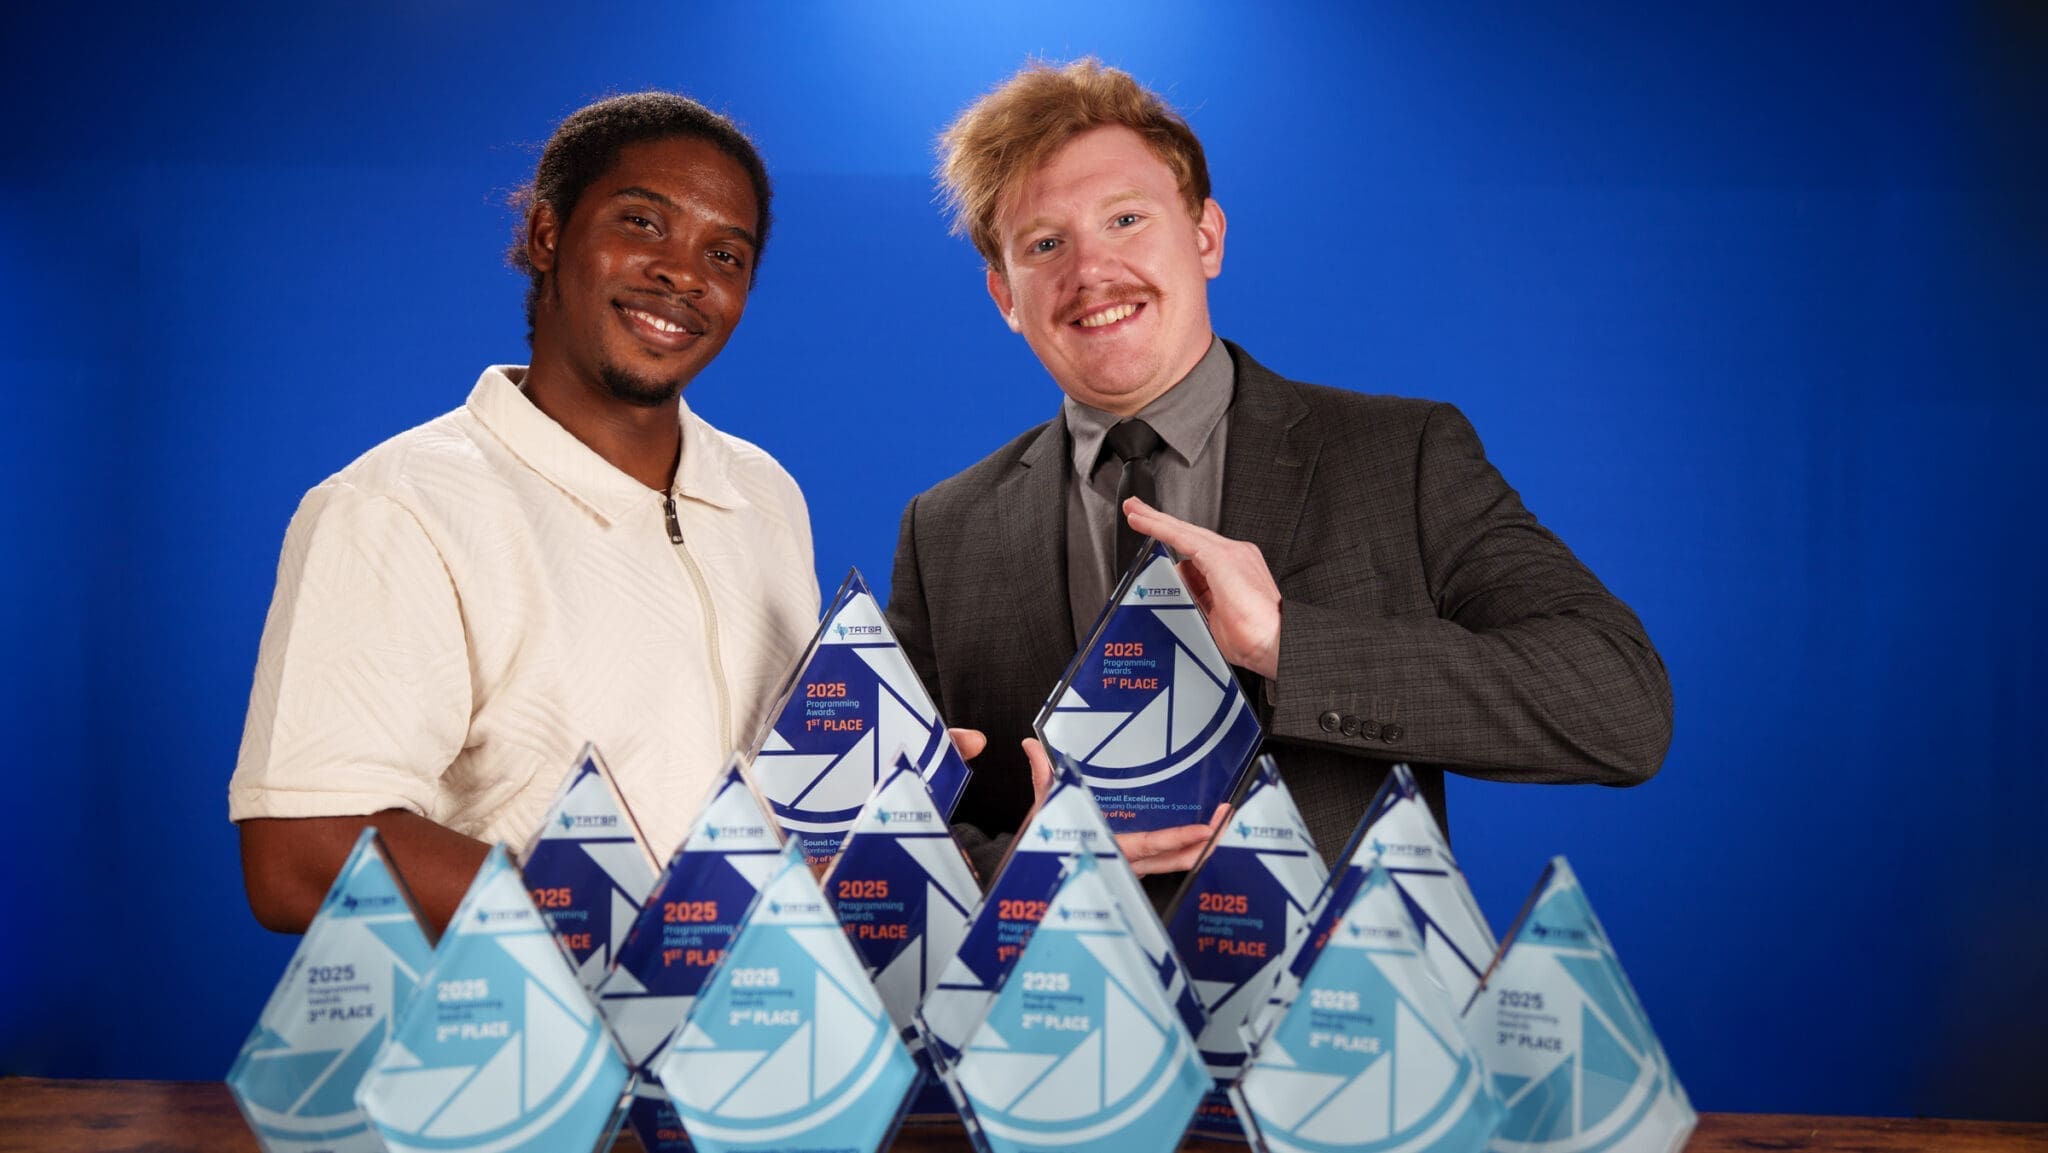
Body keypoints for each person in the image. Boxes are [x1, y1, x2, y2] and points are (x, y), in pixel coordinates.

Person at [885, 60, 1674, 886]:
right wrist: (1016, 862)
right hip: (1060, 1008)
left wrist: (1288, 642)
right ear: (1005, 296)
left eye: (1125, 219)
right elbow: (886, 844)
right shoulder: (945, 530)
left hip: (1343, 1010)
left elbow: (1622, 707)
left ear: (1206, 237)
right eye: (1045, 244)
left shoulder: (1401, 457)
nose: (1091, 271)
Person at [230, 93, 823, 933]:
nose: (684, 273)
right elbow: (298, 854)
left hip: (751, 1047)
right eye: (643, 223)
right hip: (528, 1055)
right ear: (547, 234)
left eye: (725, 255)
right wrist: (633, 931)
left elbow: (762, 801)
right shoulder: (398, 505)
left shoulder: (764, 493)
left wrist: (874, 791)